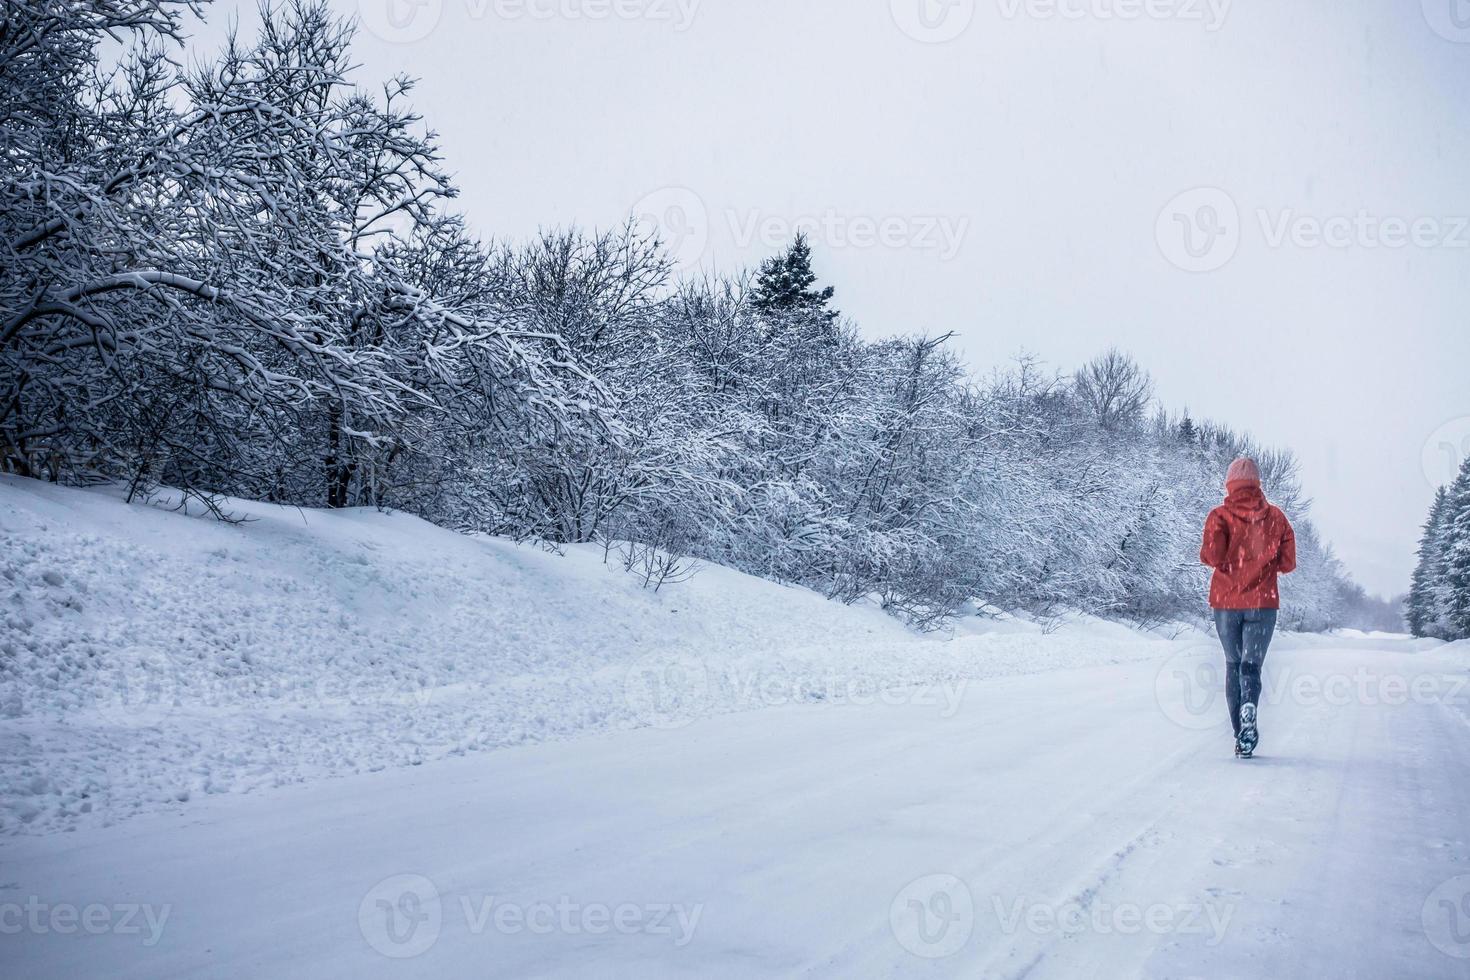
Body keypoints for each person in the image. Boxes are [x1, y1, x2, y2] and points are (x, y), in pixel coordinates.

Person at [1199, 457, 1296, 758]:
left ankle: (1239, 736)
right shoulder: (1277, 517)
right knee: (1250, 666)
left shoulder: (1219, 516)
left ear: (1230, 485)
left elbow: (1211, 557)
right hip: (1263, 603)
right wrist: (1264, 564)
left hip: (1227, 602)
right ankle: (1250, 709)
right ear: (1258, 484)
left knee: (1232, 664)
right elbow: (1288, 563)